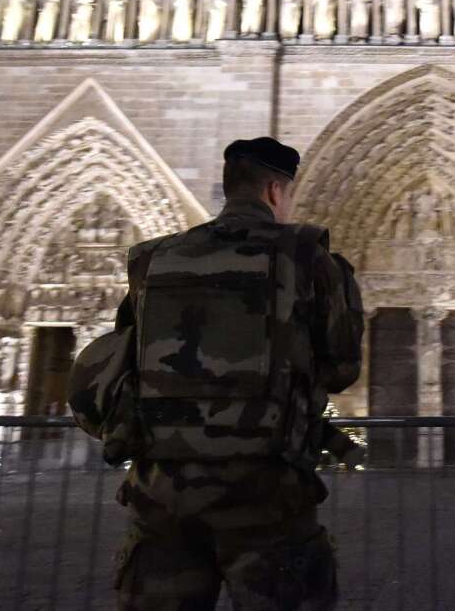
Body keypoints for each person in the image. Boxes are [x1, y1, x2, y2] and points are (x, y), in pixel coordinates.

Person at [69, 137, 364, 610]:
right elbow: (341, 368)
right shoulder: (307, 256)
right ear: (274, 192)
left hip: (162, 493)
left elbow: (126, 356)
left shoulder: (154, 259)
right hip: (266, 491)